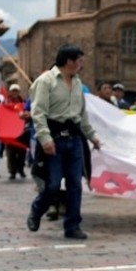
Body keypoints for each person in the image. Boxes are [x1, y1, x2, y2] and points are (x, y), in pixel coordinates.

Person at [25, 45, 101, 240]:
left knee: (75, 184)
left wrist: (92, 136)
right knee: (52, 184)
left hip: (74, 140)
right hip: (54, 139)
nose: (82, 65)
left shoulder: (77, 83)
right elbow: (38, 113)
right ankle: (37, 210)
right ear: (69, 61)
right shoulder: (45, 81)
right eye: (80, 61)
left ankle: (72, 226)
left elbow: (81, 115)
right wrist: (45, 139)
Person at [2, 84, 28, 180]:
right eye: (13, 91)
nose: (14, 93)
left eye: (16, 91)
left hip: (21, 131)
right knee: (10, 153)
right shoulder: (5, 103)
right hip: (9, 133)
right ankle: (12, 171)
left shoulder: (24, 103)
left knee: (22, 152)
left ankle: (21, 169)